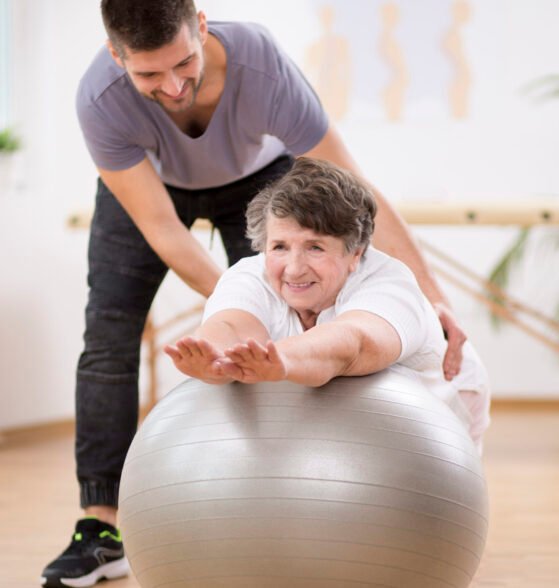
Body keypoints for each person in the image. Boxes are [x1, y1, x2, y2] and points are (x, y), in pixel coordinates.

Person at [42, 1, 469, 586]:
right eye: (148, 75)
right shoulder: (100, 99)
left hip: (256, 178)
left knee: (301, 312)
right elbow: (165, 231)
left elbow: (354, 187)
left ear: (201, 25)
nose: (172, 86)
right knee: (107, 337)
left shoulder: (262, 66)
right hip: (149, 188)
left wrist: (430, 296)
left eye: (184, 63)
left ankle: (298, 490)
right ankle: (99, 528)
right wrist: (250, 306)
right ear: (117, 56)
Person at [165, 157, 491, 445]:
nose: (294, 268)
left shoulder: (389, 283)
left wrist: (283, 359)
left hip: (444, 405)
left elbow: (352, 343)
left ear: (356, 252)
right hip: (340, 417)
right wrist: (215, 361)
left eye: (315, 247)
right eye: (279, 246)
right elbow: (230, 325)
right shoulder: (250, 276)